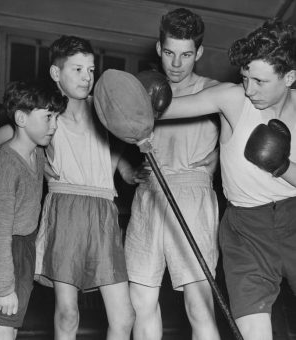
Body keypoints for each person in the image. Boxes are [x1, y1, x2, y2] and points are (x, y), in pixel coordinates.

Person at [160, 18, 296, 340]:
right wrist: (127, 101)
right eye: (245, 77)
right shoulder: (233, 99)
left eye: (261, 82)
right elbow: (161, 110)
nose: (250, 90)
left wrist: (281, 166)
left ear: (290, 78)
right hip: (245, 231)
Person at [31, 35, 138, 340]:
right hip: (66, 208)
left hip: (103, 208)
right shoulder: (45, 112)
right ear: (56, 73)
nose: (86, 77)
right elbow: (10, 141)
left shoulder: (103, 109)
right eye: (77, 69)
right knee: (68, 312)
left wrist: (124, 168)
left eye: (91, 70)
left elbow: (114, 144)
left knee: (125, 316)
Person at [124, 8, 221, 340]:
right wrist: (125, 168)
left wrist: (217, 160)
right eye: (169, 53)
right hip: (149, 194)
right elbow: (110, 136)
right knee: (141, 304)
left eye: (186, 54)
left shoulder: (216, 91)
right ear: (158, 48)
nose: (176, 64)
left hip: (192, 195)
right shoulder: (141, 92)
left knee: (199, 307)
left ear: (199, 53)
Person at [0, 80, 67, 340]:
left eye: (56, 117)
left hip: (21, 253)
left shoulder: (37, 153)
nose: (54, 126)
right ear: (21, 118)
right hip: (0, 257)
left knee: (11, 334)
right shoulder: (5, 166)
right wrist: (3, 287)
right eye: (47, 117)